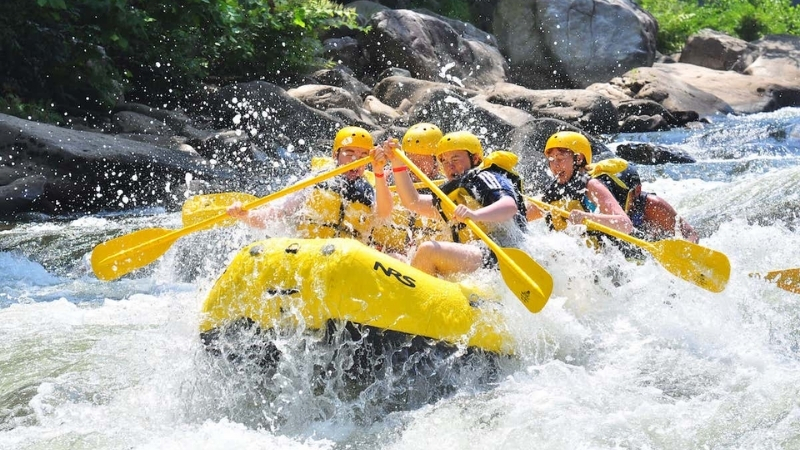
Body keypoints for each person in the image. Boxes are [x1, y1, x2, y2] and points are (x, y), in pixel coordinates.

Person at [373, 130, 528, 277]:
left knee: (428, 250)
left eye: (455, 159)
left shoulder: (485, 176)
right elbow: (414, 202)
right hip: (474, 257)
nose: (449, 166)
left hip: (501, 253)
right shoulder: (450, 192)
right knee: (398, 259)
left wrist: (475, 214)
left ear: (475, 159)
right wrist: (397, 161)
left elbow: (509, 206)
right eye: (445, 161)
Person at [226, 126, 392, 245]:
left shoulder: (370, 190)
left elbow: (384, 213)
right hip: (310, 255)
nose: (356, 160)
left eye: (363, 155)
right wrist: (245, 215)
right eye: (349, 153)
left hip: (348, 262)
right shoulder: (314, 182)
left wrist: (378, 171)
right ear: (335, 155)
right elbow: (273, 215)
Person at [526, 131, 634, 237]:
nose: (555, 165)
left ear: (578, 159)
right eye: (551, 159)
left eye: (560, 158)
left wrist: (586, 217)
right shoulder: (553, 191)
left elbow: (626, 224)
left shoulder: (591, 185)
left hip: (604, 248)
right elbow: (523, 216)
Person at [370, 123, 450, 252]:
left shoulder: (446, 187)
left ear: (437, 162)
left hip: (424, 259)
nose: (414, 166)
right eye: (411, 160)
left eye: (422, 160)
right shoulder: (388, 179)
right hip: (388, 253)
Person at [594, 160, 699, 243]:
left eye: (616, 193)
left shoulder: (653, 206)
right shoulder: (594, 202)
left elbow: (691, 234)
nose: (610, 198)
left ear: (637, 191)